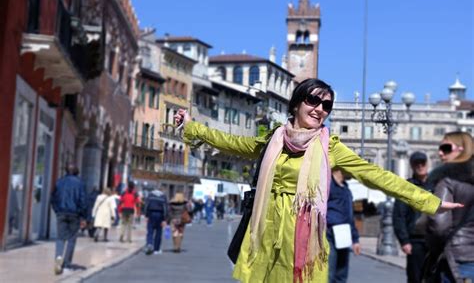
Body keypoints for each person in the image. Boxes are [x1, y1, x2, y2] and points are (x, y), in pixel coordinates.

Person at [174, 78, 462, 283]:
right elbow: (232, 142)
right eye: (313, 100)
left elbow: (376, 175)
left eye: (326, 105)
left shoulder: (329, 146)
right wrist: (192, 126)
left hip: (302, 232)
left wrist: (430, 202)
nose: (319, 109)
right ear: (297, 103)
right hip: (263, 229)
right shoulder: (274, 137)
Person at [425, 131, 474, 283]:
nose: (440, 153)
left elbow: (439, 225)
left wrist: (433, 249)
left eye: (446, 148)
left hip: (459, 256)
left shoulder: (447, 180)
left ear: (462, 148)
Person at [393, 151, 431, 283]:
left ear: (427, 164)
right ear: (412, 166)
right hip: (415, 241)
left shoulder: (436, 185)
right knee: (415, 277)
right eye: (416, 163)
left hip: (434, 240)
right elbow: (399, 216)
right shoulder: (406, 187)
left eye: (422, 163)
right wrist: (404, 241)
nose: (420, 166)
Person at [50, 164, 87, 275]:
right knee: (71, 239)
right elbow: (83, 200)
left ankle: (58, 257)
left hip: (61, 212)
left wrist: (57, 210)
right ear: (77, 172)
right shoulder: (80, 183)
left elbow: (53, 198)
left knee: (60, 237)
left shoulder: (59, 182)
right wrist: (83, 215)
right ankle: (66, 263)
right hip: (74, 213)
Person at [326, 169, 361, 283]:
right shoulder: (327, 184)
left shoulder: (346, 188)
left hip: (344, 235)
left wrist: (355, 240)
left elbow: (350, 216)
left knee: (341, 275)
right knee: (328, 274)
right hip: (329, 234)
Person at [144, 188, 168, 255]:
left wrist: (146, 215)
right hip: (160, 214)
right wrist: (164, 219)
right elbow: (165, 208)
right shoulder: (163, 196)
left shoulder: (150, 195)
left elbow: (147, 205)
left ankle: (149, 243)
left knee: (150, 231)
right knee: (158, 232)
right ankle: (156, 249)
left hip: (151, 214)